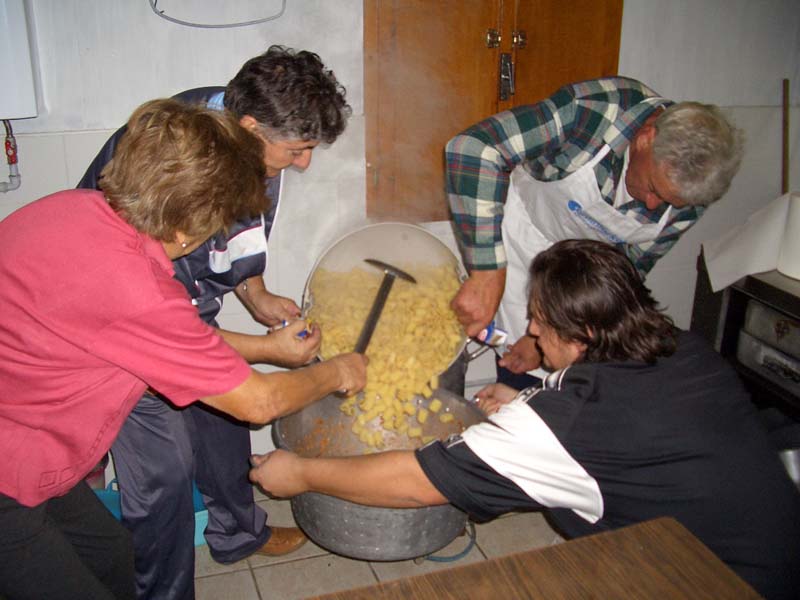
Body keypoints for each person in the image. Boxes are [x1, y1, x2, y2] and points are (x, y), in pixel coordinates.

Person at [250, 239, 800, 600]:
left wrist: (300, 473)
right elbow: (614, 429)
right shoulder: (681, 347)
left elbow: (418, 482)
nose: (531, 332)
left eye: (539, 321)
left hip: (717, 582)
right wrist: (525, 403)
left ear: (582, 334)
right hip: (776, 553)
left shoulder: (568, 427)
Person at [0, 99, 367, 600]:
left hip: (29, 448)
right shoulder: (137, 285)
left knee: (112, 555)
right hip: (10, 468)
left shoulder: (73, 208)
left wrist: (267, 349)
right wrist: (337, 372)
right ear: (186, 226)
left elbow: (164, 335)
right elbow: (259, 402)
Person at [77, 46, 351, 599]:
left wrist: (256, 293)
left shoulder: (250, 143)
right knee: (165, 471)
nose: (304, 164)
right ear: (249, 128)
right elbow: (165, 329)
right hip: (121, 322)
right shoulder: (179, 159)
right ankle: (161, 590)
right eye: (297, 151)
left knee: (224, 425)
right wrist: (282, 354)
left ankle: (238, 532)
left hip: (178, 308)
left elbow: (239, 238)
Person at [445, 76, 744, 390]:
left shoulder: (695, 190)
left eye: (670, 202)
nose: (652, 204)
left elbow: (626, 270)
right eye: (654, 188)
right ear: (646, 137)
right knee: (512, 365)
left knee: (564, 381)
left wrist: (543, 338)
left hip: (580, 281)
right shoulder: (596, 109)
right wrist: (487, 274)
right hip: (522, 239)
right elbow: (473, 149)